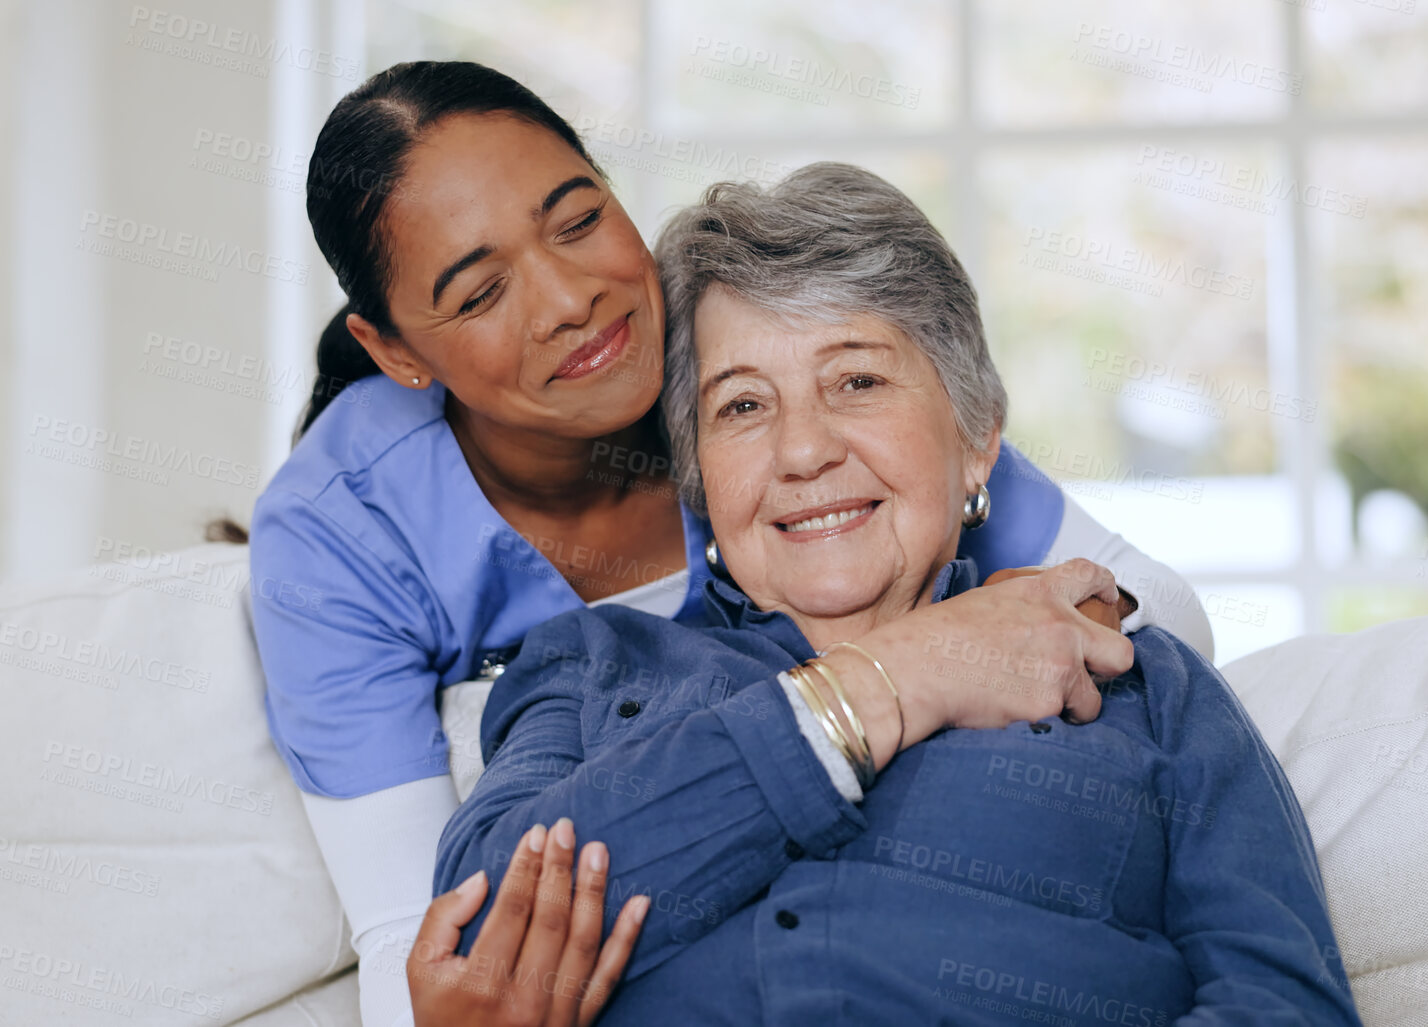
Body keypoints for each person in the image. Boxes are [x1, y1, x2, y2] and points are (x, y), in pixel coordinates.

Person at [248, 60, 1214, 1025]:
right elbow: (420, 940)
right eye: (479, 291)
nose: (570, 299)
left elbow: (1153, 606)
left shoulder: (749, 364)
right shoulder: (344, 535)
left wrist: (996, 646)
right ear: (395, 351)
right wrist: (894, 673)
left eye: (578, 219)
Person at [435, 164, 1358, 1024]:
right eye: (743, 406)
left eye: (857, 379)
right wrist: (893, 681)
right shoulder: (592, 665)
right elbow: (476, 951)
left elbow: (1283, 1005)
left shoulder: (1141, 683)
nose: (802, 452)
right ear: (700, 479)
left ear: (977, 438)